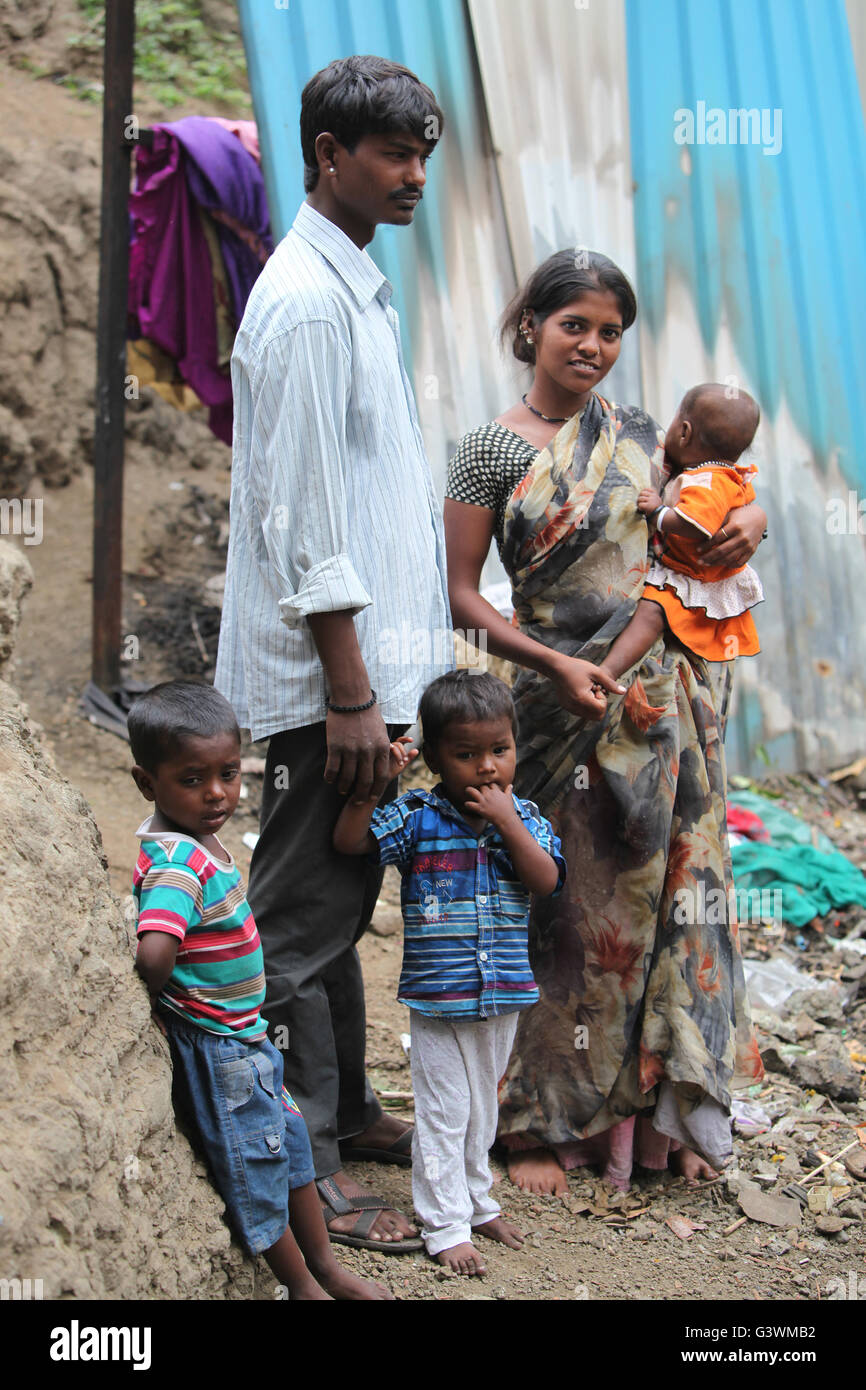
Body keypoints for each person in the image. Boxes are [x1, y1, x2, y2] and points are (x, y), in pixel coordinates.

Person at [445, 249, 765, 1196]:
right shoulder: (491, 449)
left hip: (661, 706)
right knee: (565, 911)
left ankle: (647, 1127)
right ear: (531, 327)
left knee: (661, 907)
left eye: (610, 331)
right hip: (552, 706)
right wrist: (549, 661)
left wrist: (759, 523)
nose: (591, 346)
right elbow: (462, 597)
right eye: (573, 325)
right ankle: (537, 1118)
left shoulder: (639, 436)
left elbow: (714, 508)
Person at [214, 56, 452, 1252]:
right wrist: (354, 694)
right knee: (298, 919)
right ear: (325, 157)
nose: (414, 174)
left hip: (362, 675)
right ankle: (294, 1162)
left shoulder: (348, 288)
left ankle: (346, 1107)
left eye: (423, 152)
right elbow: (305, 522)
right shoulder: (306, 302)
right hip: (330, 685)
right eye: (393, 153)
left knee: (337, 901)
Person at [128, 680, 393, 1300]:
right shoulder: (176, 864)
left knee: (293, 1146)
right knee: (261, 1164)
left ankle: (324, 1267)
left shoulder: (194, 842)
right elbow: (155, 952)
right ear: (148, 783)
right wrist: (162, 1004)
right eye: (193, 780)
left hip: (245, 1040)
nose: (217, 793)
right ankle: (301, 1283)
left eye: (227, 772)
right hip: (222, 1049)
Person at [333, 671, 566, 1274]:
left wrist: (508, 821)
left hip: (505, 992)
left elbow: (546, 880)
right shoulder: (416, 816)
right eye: (466, 754)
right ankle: (443, 1224)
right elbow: (350, 842)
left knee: (484, 1108)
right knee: (444, 1110)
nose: (487, 767)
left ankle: (476, 1200)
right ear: (435, 757)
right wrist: (375, 788)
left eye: (499, 750)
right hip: (439, 997)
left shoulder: (528, 818)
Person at [600, 383, 763, 680]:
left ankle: (607, 672)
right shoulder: (720, 476)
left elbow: (697, 524)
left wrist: (659, 513)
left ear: (684, 432)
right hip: (692, 570)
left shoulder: (707, 481)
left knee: (652, 613)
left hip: (693, 577)